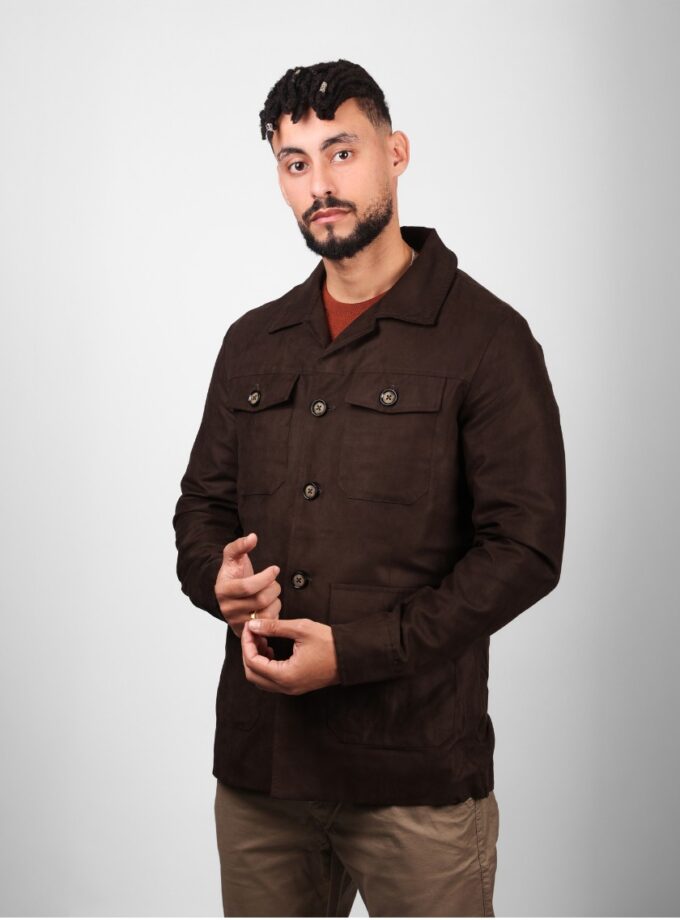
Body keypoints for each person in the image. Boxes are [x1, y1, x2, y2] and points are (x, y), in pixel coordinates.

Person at [172, 58, 567, 918]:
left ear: (396, 153)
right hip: (263, 773)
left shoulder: (487, 340)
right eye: (296, 162)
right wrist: (215, 580)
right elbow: (201, 507)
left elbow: (525, 550)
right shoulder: (253, 342)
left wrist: (356, 654)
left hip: (415, 777)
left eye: (342, 152)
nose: (320, 184)